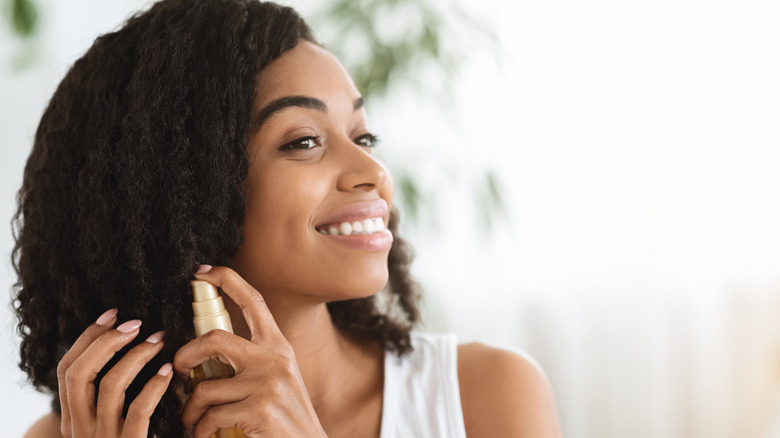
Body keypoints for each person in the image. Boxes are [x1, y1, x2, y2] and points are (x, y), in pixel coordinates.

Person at [13, 0, 561, 436]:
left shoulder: (485, 395)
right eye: (304, 141)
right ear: (178, 192)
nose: (372, 169)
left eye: (363, 135)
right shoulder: (75, 434)